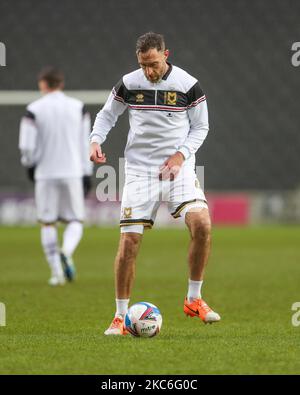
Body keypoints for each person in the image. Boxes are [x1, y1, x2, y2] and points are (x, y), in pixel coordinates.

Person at [90, 32, 220, 335]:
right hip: (139, 172)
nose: (149, 71)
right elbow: (107, 115)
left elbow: (201, 127)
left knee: (202, 225)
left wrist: (180, 155)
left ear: (166, 54)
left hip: (179, 170)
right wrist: (95, 140)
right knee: (129, 243)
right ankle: (121, 317)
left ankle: (194, 298)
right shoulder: (129, 83)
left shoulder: (188, 85)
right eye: (143, 65)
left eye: (154, 64)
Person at [19, 66, 93, 286]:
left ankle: (56, 273)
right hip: (73, 172)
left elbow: (26, 146)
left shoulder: (33, 109)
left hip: (45, 173)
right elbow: (85, 143)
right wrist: (86, 173)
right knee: (76, 220)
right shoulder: (78, 107)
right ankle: (67, 251)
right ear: (61, 84)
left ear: (43, 84)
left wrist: (30, 165)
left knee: (48, 223)